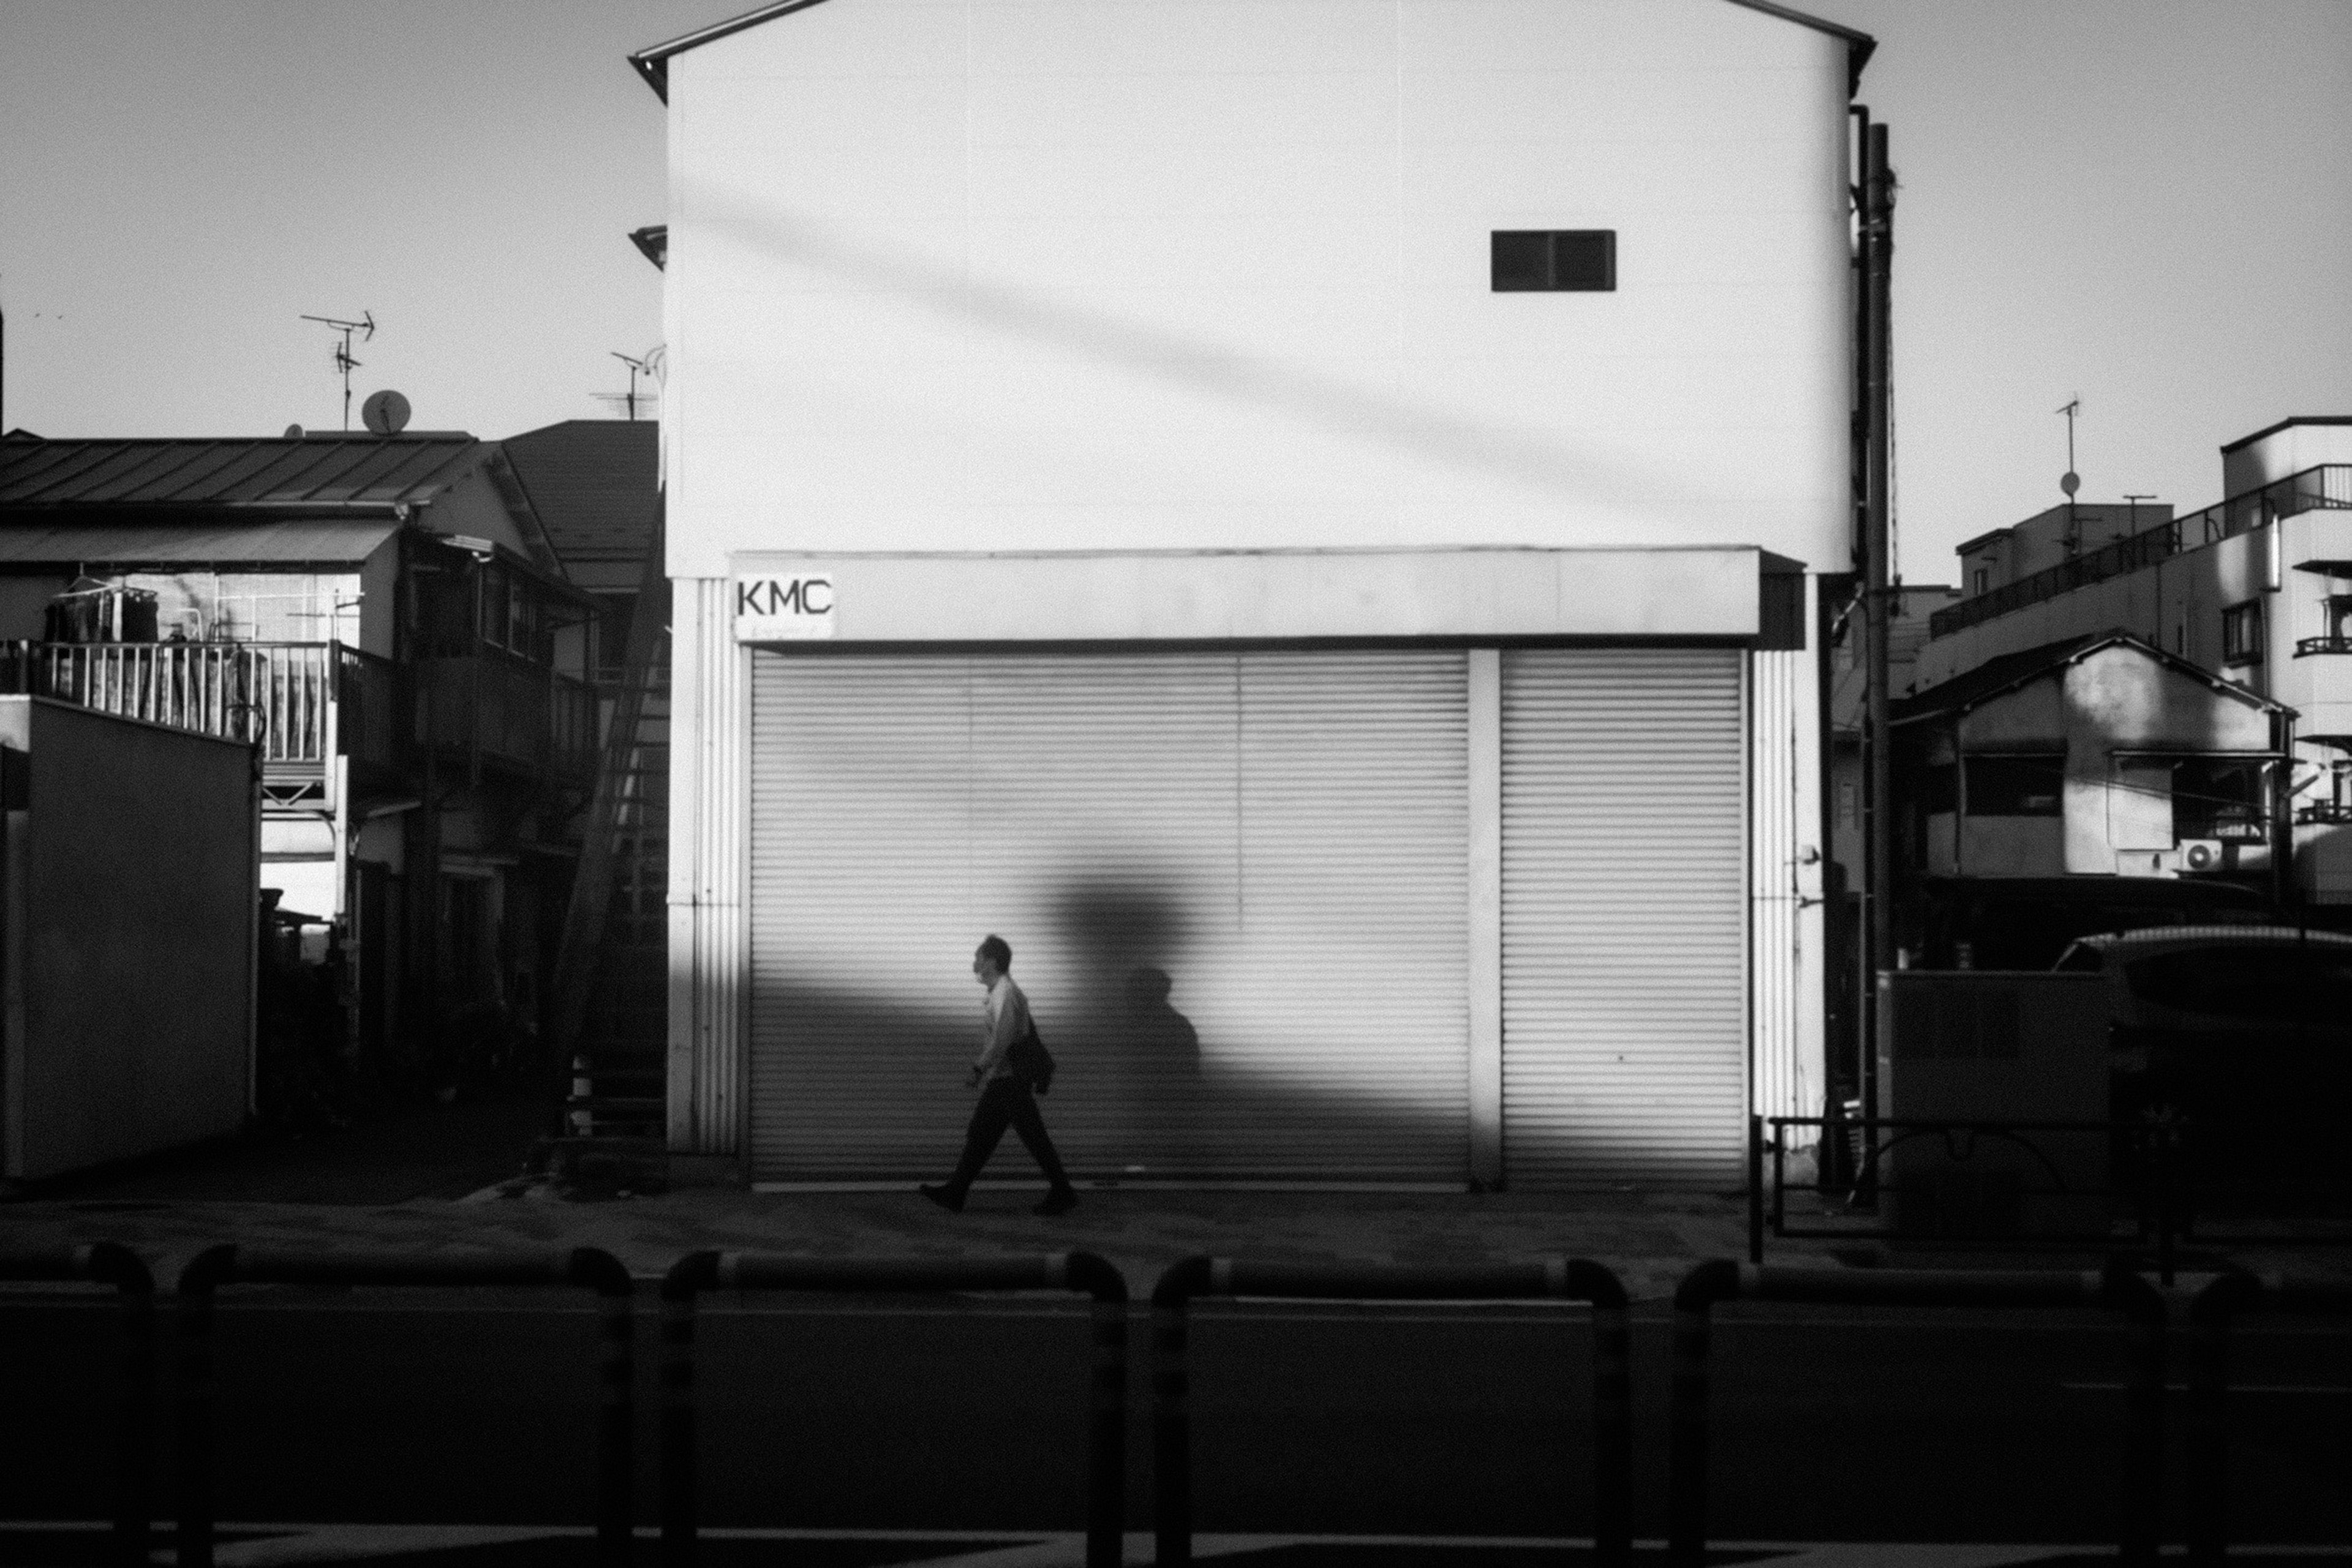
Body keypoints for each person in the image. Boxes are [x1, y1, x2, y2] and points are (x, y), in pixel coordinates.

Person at [921, 934, 1080, 1216]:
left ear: (992, 961)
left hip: (1009, 1078)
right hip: (1007, 1078)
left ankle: (957, 1193)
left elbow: (1003, 1038)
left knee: (1013, 1136)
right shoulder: (1001, 992)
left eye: (978, 958)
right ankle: (956, 1192)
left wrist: (978, 1068)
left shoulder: (1005, 993)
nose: (974, 966)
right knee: (988, 1135)